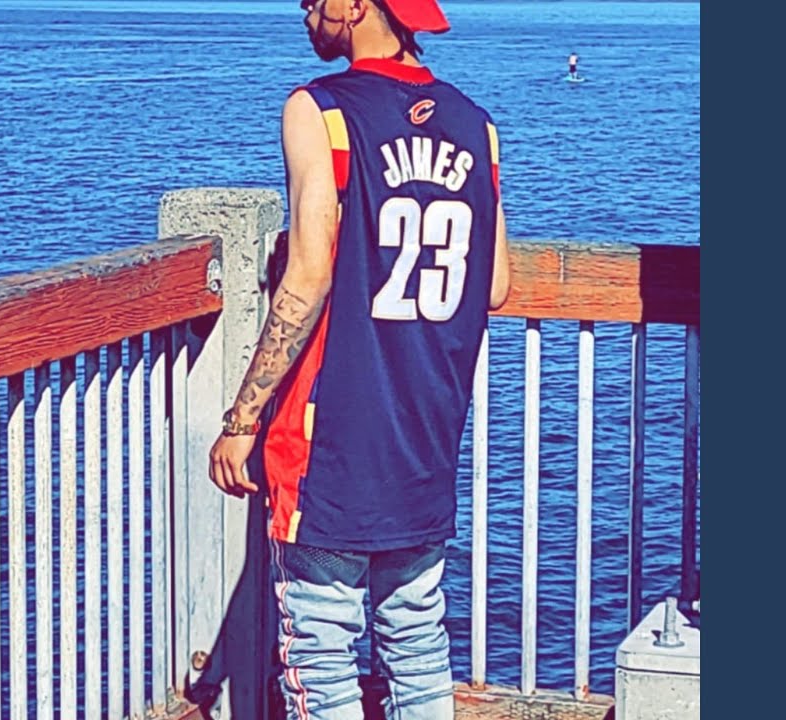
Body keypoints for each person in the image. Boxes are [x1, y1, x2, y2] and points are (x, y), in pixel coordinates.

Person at [207, 1, 511, 718]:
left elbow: (309, 274)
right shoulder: (476, 125)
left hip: (331, 437)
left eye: (315, 0)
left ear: (353, 5)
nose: (306, 11)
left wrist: (242, 419)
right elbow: (496, 283)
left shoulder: (322, 112)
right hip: (426, 433)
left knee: (319, 660)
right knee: (418, 648)